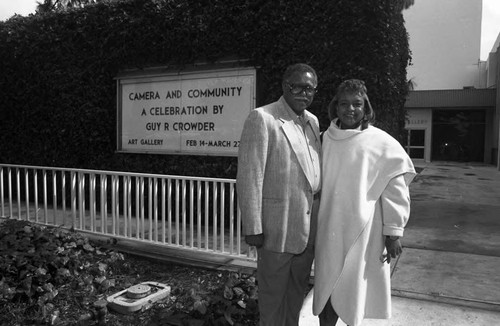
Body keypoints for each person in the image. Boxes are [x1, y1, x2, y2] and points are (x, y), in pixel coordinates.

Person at [312, 79, 416, 326]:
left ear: (366, 107)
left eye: (357, 104)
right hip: (328, 229)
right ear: (335, 107)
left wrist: (393, 233)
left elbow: (395, 189)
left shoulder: (382, 142)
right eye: (344, 104)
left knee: (354, 291)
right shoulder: (323, 140)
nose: (350, 109)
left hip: (365, 231)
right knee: (327, 285)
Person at [236, 63, 321, 326]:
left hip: (308, 230)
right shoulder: (263, 118)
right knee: (272, 302)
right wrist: (253, 226)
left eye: (310, 88)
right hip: (277, 229)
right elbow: (250, 176)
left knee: (295, 297)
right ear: (285, 86)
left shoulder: (313, 122)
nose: (303, 93)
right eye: (297, 86)